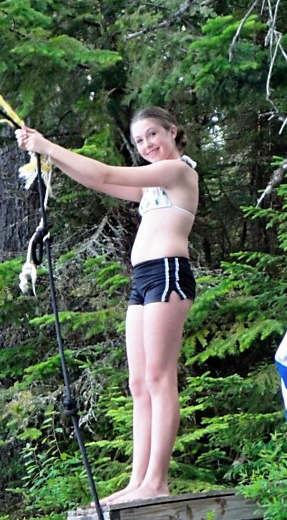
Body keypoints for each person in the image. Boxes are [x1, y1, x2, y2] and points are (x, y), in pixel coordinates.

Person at [16, 107, 198, 505]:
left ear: (172, 131)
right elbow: (96, 181)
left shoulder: (178, 171)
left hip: (168, 273)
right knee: (138, 384)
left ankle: (157, 482)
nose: (148, 144)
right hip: (143, 279)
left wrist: (47, 145)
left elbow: (107, 173)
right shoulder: (152, 185)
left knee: (159, 378)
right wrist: (49, 156)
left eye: (153, 134)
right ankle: (138, 482)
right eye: (139, 141)